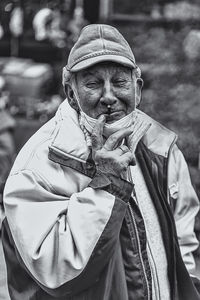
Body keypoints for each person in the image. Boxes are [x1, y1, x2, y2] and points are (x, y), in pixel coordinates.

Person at [1, 24, 200, 300]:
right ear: (71, 93)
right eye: (93, 83)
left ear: (137, 89)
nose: (108, 96)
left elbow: (183, 238)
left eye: (119, 82)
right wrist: (107, 184)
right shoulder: (38, 163)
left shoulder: (160, 147)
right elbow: (56, 269)